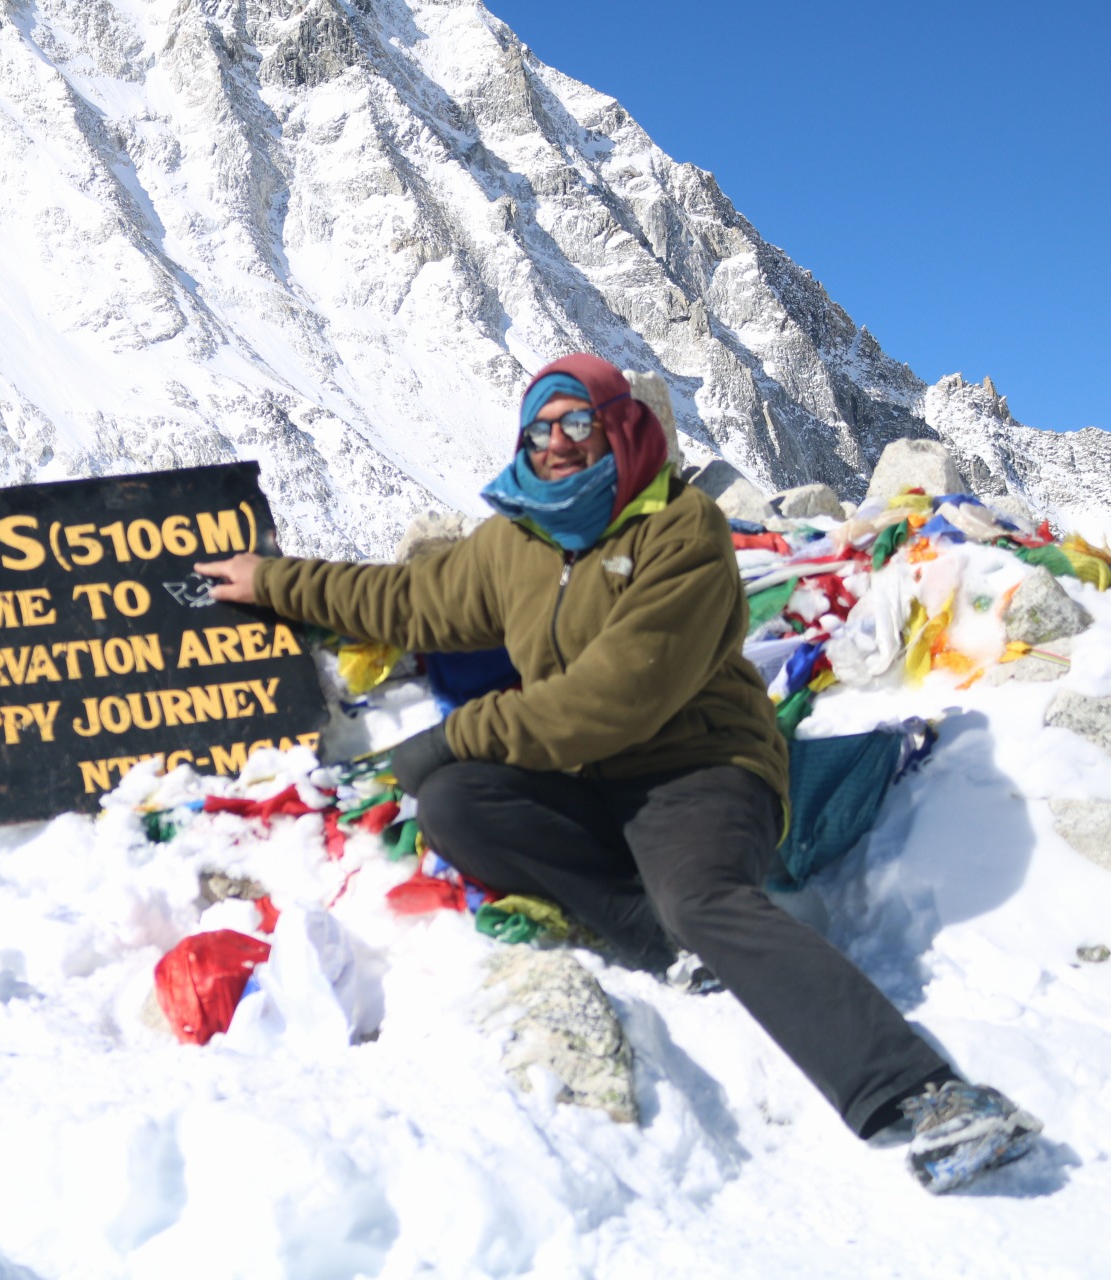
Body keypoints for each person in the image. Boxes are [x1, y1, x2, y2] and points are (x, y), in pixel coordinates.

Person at [197, 353, 1042, 1193]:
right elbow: (409, 602)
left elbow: (615, 698)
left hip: (699, 767)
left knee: (703, 896)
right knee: (457, 804)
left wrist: (454, 735)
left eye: (577, 422)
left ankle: (925, 1090)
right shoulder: (517, 538)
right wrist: (271, 580)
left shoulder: (680, 530)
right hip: (585, 775)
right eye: (540, 426)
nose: (558, 442)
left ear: (619, 428)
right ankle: (658, 939)